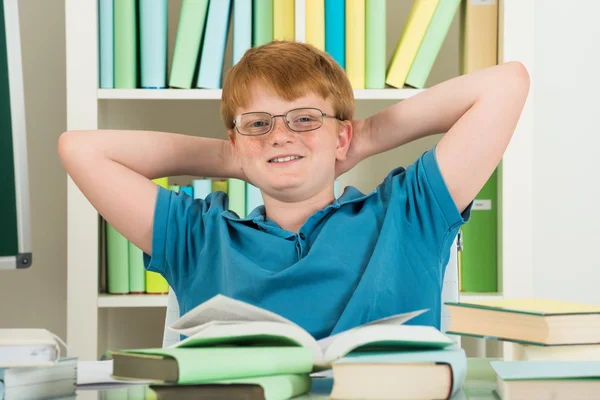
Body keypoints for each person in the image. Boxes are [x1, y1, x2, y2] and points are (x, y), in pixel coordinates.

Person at [58, 41, 529, 340]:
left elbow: (507, 84)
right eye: (259, 124)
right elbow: (79, 150)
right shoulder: (200, 237)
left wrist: (360, 137)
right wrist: (238, 155)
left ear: (340, 136)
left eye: (304, 119)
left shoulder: (408, 212)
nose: (281, 136)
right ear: (236, 141)